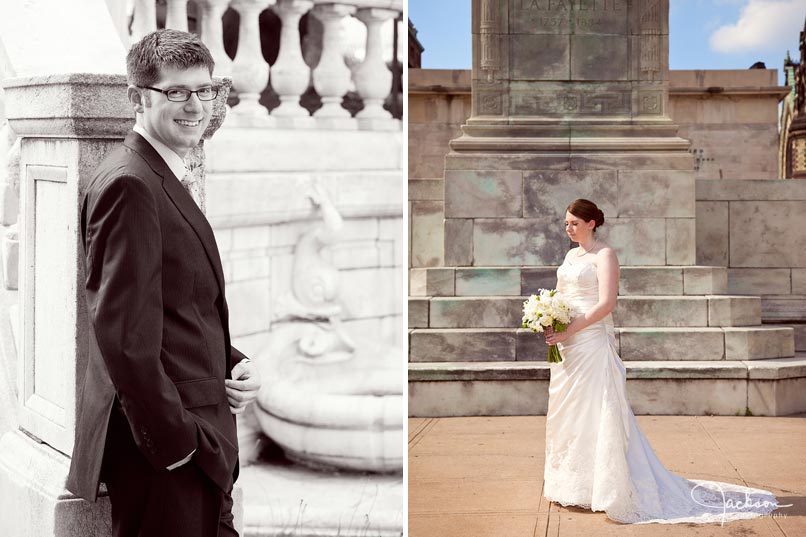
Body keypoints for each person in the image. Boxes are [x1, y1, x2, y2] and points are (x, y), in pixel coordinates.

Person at [66, 29, 261, 537]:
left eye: (205, 90)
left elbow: (172, 305)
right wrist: (180, 449)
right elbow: (124, 340)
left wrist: (230, 363)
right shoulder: (130, 184)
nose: (196, 106)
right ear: (137, 97)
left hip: (201, 442)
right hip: (168, 458)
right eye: (176, 92)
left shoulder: (162, 173)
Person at [542, 198, 779, 524]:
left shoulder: (605, 255)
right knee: (568, 413)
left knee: (596, 411)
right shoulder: (571, 256)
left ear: (591, 224)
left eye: (574, 223)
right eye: (566, 223)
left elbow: (607, 303)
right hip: (567, 346)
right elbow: (559, 295)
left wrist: (571, 328)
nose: (568, 228)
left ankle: (603, 488)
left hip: (589, 342)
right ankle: (570, 484)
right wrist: (549, 318)